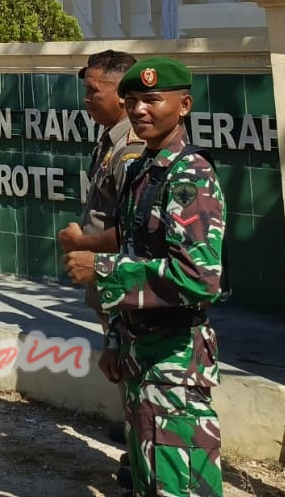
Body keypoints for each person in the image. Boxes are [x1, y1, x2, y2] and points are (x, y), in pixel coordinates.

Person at [64, 56, 227, 497]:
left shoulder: (190, 175)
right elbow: (134, 246)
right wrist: (116, 339)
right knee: (146, 480)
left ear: (184, 105)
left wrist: (100, 269)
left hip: (174, 360)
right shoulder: (145, 171)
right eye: (133, 100)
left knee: (179, 485)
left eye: (152, 100)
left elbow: (198, 276)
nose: (139, 109)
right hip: (140, 355)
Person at [58, 49, 146, 491]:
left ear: (122, 92)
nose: (87, 99)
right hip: (108, 279)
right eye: (86, 90)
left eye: (95, 91)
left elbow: (135, 228)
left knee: (136, 369)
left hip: (123, 277)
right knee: (123, 367)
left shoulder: (132, 149)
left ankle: (139, 456)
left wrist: (82, 243)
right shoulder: (111, 139)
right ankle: (134, 432)